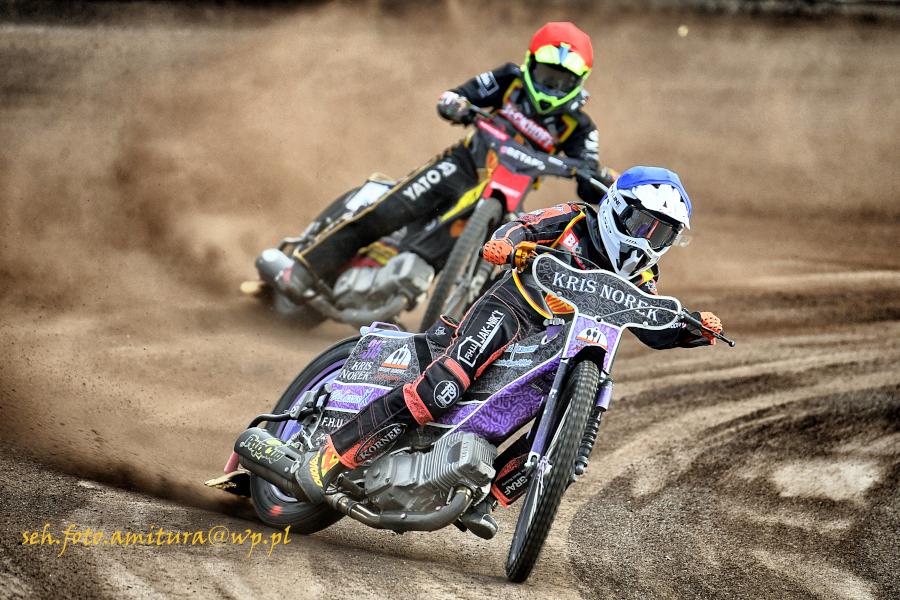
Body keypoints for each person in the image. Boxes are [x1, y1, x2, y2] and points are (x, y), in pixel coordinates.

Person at [293, 166, 725, 522]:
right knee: (444, 387)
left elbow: (652, 327)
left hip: (563, 348)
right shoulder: (575, 218)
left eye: (661, 235)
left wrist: (692, 331)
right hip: (513, 311)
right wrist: (508, 245)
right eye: (642, 224)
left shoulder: (644, 277)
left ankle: (485, 499)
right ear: (616, 207)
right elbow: (523, 225)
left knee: (565, 428)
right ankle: (329, 457)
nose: (646, 240)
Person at [285, 21, 617, 291]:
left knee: (507, 261)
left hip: (508, 197)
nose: (552, 89)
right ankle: (303, 269)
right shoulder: (508, 80)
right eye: (547, 77)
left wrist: (600, 181)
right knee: (386, 211)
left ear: (580, 82)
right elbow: (458, 96)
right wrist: (456, 104)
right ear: (530, 64)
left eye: (563, 82)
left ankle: (430, 315)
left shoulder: (580, 127)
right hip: (461, 165)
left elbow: (588, 177)